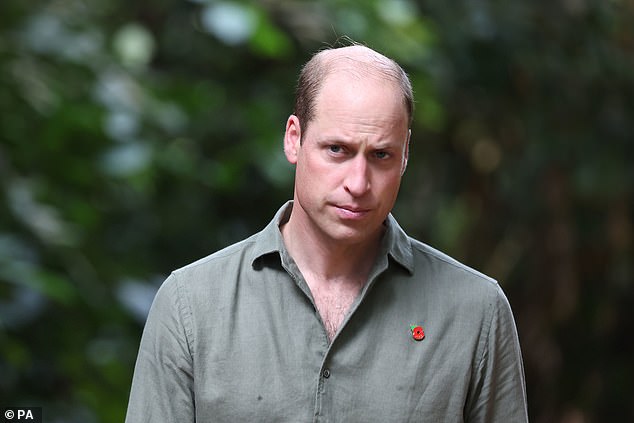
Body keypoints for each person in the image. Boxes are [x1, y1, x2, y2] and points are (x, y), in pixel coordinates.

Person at [125, 43, 529, 422]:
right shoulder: (191, 305)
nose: (358, 181)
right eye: (337, 150)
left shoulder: (475, 312)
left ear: (405, 154)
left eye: (381, 155)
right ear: (294, 139)